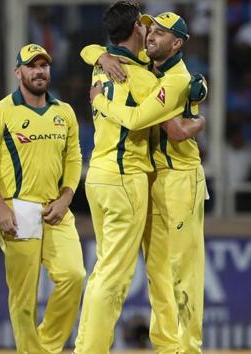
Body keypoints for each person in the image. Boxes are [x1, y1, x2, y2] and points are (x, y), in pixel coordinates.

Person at [83, 11, 208, 353]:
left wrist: (100, 101)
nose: (151, 35)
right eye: (149, 28)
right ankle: (167, 345)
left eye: (161, 32)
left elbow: (170, 129)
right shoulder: (145, 66)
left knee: (185, 270)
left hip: (180, 177)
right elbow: (89, 49)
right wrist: (102, 55)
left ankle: (189, 347)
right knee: (158, 272)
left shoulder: (172, 81)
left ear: (177, 43)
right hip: (151, 178)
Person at [72, 2, 179, 352]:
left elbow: (89, 50)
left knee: (103, 271)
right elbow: (157, 123)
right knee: (115, 279)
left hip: (98, 175)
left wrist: (99, 57)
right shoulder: (144, 78)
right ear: (137, 29)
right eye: (145, 26)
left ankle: (86, 344)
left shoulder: (103, 63)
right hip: (125, 178)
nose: (150, 31)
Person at [0, 44, 85, 354]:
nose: (40, 71)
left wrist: (66, 198)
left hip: (56, 208)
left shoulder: (64, 112)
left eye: (44, 66)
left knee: (74, 275)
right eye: (32, 66)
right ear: (18, 72)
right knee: (23, 298)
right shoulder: (0, 112)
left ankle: (45, 348)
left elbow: (74, 158)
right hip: (17, 208)